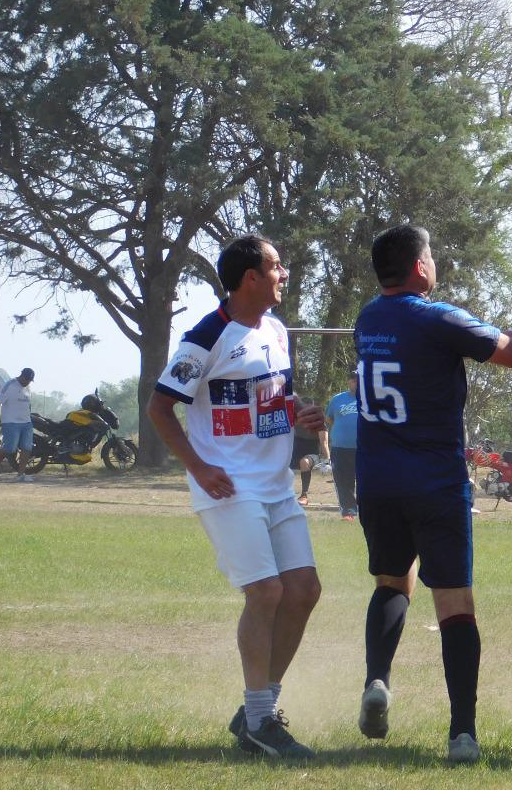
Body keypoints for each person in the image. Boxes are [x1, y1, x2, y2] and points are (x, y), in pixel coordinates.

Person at [354, 225, 512, 765]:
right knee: (455, 602)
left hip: (378, 481)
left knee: (393, 580)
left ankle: (378, 680)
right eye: (431, 255)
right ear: (420, 268)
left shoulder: (371, 318)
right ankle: (462, 733)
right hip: (435, 482)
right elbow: (511, 355)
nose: (435, 262)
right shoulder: (436, 317)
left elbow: (464, 337)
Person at [147, 234, 327, 760]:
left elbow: (273, 399)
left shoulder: (274, 329)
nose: (283, 274)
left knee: (304, 590)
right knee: (266, 593)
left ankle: (257, 713)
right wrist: (199, 467)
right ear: (251, 277)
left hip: (276, 487)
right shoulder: (205, 337)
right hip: (228, 486)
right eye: (276, 266)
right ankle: (259, 720)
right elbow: (161, 407)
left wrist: (299, 414)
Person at [325, 372, 360, 520]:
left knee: (367, 479)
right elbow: (329, 419)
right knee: (343, 480)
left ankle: (368, 508)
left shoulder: (371, 399)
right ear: (348, 382)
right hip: (340, 448)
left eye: (358, 380)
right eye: (352, 380)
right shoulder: (337, 399)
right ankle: (349, 511)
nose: (355, 383)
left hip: (365, 448)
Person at [0, 367, 36, 483]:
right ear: (21, 375)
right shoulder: (9, 385)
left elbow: (28, 404)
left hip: (26, 423)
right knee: (10, 448)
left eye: (29, 380)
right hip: (11, 422)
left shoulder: (28, 388)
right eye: (26, 379)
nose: (27, 382)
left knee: (27, 448)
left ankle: (21, 474)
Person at [291, 399, 328, 507]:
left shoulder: (320, 424)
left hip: (313, 456)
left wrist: (327, 461)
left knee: (304, 462)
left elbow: (324, 443)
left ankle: (304, 496)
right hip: (293, 455)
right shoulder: (291, 421)